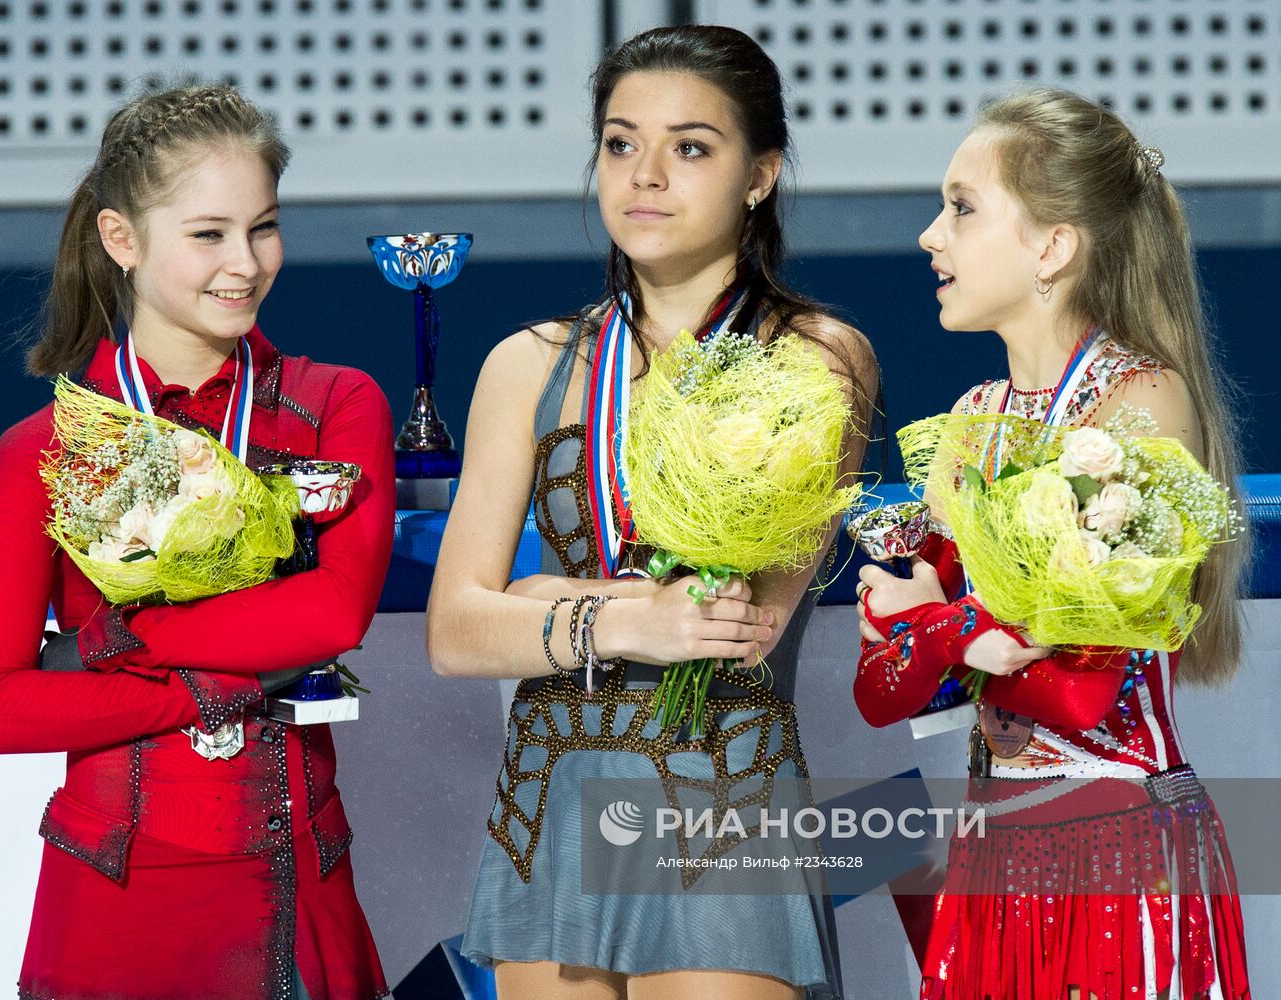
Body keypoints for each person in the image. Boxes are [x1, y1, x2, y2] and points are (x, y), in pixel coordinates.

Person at [427, 25, 877, 1000]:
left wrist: (543, 597)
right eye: (620, 142)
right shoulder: (526, 364)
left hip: (722, 794)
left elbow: (741, 623)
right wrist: (625, 616)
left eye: (690, 147)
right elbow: (456, 632)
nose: (645, 174)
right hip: (545, 804)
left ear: (758, 175)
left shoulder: (815, 357)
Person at [0, 83, 394, 1000]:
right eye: (209, 233)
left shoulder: (336, 404)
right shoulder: (40, 451)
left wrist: (113, 648)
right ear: (122, 239)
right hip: (112, 895)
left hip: (293, 873)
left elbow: (334, 613)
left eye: (262, 227)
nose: (245, 262)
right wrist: (222, 685)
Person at [854, 88, 1250, 1000]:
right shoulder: (967, 424)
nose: (929, 236)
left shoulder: (1141, 403)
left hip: (1120, 854)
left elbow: (1079, 685)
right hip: (991, 856)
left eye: (960, 207)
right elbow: (882, 690)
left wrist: (939, 625)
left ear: (1051, 246)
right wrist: (962, 633)